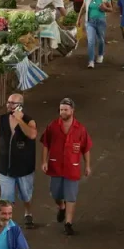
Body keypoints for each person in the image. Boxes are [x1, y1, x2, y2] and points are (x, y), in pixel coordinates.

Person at [40, 98, 92, 236]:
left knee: (71, 196)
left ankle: (68, 223)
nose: (63, 112)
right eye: (61, 109)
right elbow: (46, 144)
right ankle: (61, 206)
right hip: (55, 166)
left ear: (72, 111)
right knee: (55, 193)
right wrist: (44, 161)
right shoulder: (53, 126)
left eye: (65, 110)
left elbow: (86, 148)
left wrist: (87, 165)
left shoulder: (80, 129)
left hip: (72, 168)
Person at [0, 95, 39, 228]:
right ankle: (6, 222)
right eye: (8, 102)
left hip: (24, 167)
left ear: (20, 105)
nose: (9, 105)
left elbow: (32, 135)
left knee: (26, 195)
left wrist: (19, 120)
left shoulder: (29, 120)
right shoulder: (1, 119)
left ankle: (28, 212)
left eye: (13, 103)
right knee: (6, 198)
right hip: (5, 167)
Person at [81, 0, 113, 69]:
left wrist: (104, 8)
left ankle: (100, 54)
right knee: (91, 41)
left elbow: (111, 9)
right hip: (90, 22)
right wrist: (79, 19)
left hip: (100, 21)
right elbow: (83, 8)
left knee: (101, 40)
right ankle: (91, 61)